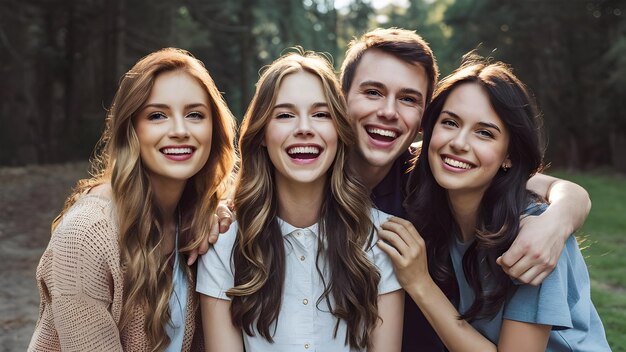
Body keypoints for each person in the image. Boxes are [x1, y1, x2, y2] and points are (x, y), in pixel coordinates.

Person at [339, 27, 593, 351]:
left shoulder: (530, 235)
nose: (459, 144)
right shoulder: (429, 173)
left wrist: (557, 220)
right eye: (450, 123)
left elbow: (554, 189)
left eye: (484, 133)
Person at [28, 48, 237, 351]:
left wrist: (216, 211)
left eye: (194, 114)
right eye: (157, 116)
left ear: (213, 129)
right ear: (131, 130)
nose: (179, 130)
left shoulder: (197, 219)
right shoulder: (86, 237)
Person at [196, 49, 404, 351]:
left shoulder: (380, 239)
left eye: (321, 115)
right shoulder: (224, 243)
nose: (304, 128)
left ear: (339, 132)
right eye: (284, 115)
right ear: (262, 135)